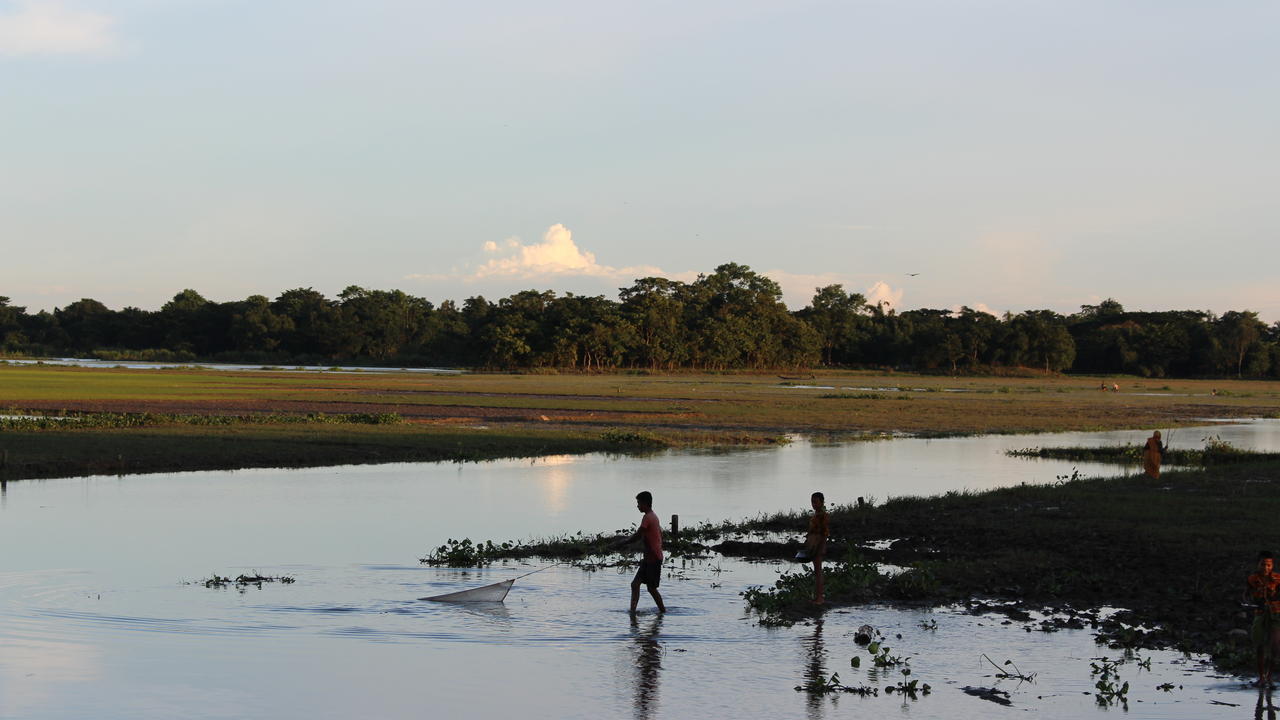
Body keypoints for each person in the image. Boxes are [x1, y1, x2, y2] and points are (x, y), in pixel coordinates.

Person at [611, 491, 666, 614]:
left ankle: (663, 611)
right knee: (635, 584)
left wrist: (622, 542)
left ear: (645, 503)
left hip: (654, 558)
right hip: (649, 558)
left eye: (639, 503)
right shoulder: (653, 516)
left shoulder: (648, 517)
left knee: (651, 589)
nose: (637, 506)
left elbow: (637, 535)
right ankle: (633, 612)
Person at [1246, 551, 1280, 687]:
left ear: (1272, 566)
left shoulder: (1278, 579)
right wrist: (1251, 601)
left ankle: (1270, 677)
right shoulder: (1252, 579)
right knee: (1259, 644)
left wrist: (1274, 598)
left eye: (1268, 565)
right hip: (1260, 613)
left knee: (1275, 646)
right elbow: (1246, 594)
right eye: (1263, 565)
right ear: (1258, 564)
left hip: (1276, 613)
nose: (1265, 568)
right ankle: (1261, 677)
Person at [806, 491, 830, 604]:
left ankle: (820, 597)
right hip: (814, 545)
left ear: (822, 502)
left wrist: (820, 547)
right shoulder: (816, 515)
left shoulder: (822, 515)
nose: (813, 504)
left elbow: (824, 533)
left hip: (818, 546)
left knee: (818, 572)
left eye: (816, 502)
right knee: (816, 572)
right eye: (812, 502)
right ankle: (818, 597)